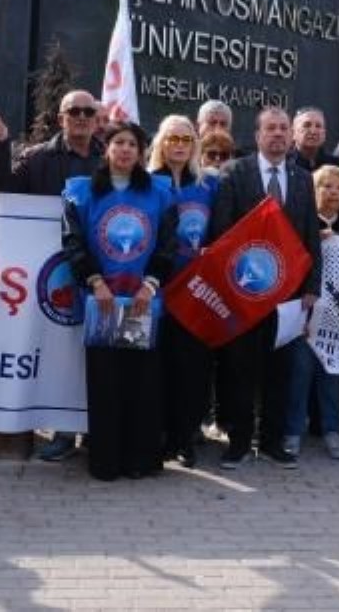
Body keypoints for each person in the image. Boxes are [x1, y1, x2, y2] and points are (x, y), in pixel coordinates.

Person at [0, 90, 104, 462]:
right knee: (59, 353)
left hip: (101, 270)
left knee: (95, 352)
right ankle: (62, 433)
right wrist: (0, 144)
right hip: (50, 273)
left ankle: (95, 430)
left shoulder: (111, 158)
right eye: (75, 111)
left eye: (89, 111)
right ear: (61, 118)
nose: (82, 117)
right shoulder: (38, 159)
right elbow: (3, 187)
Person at [61, 122, 178, 481]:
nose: (126, 149)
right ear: (107, 149)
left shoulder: (160, 193)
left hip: (143, 302)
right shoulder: (81, 192)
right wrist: (95, 282)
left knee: (142, 382)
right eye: (119, 143)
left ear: (142, 152)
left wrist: (150, 285)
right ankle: (106, 461)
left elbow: (167, 245)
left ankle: (139, 460)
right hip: (103, 302)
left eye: (132, 144)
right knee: (105, 380)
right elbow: (73, 243)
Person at [207, 106, 322, 470]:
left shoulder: (303, 178)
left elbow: (309, 238)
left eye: (283, 129)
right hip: (245, 292)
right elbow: (220, 234)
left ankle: (271, 442)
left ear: (290, 136)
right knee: (241, 370)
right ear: (256, 136)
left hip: (287, 296)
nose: (277, 134)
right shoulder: (234, 173)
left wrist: (311, 286)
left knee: (280, 370)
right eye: (270, 128)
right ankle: (238, 442)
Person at [147, 115, 216, 467]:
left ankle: (184, 438)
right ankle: (158, 437)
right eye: (172, 137)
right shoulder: (146, 183)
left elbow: (220, 233)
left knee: (191, 369)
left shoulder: (208, 185)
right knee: (158, 366)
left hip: (196, 293)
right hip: (154, 291)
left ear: (194, 145)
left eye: (186, 139)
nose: (178, 144)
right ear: (161, 142)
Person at [283, 164, 339, 462]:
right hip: (305, 311)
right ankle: (293, 431)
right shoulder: (301, 223)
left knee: (331, 374)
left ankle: (332, 430)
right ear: (313, 191)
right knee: (299, 372)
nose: (332, 192)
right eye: (326, 186)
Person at [288, 107, 339, 173]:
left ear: (324, 133)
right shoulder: (283, 164)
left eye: (318, 126)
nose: (313, 131)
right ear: (293, 133)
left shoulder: (337, 165)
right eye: (307, 125)